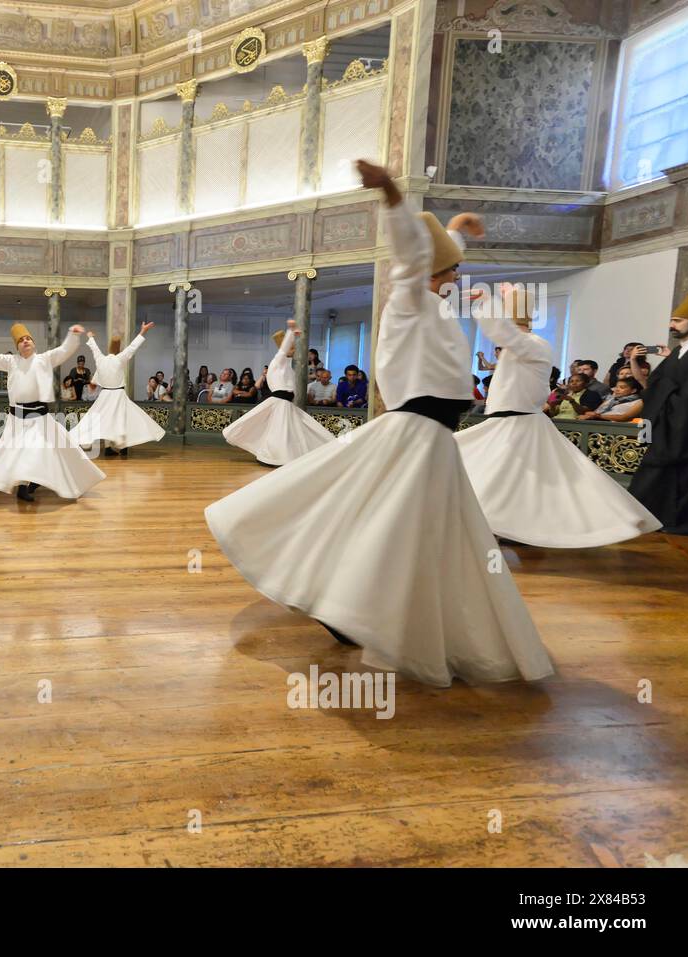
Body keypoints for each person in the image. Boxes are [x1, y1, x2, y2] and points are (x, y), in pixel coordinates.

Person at [205, 158, 551, 687]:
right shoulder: (410, 300)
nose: (459, 276)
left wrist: (455, 230)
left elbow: (434, 259)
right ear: (436, 274)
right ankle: (349, 605)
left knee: (392, 525)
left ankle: (346, 602)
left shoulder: (433, 302)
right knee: (396, 526)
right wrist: (391, 196)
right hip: (417, 431)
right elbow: (414, 257)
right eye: (453, 270)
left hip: (432, 434)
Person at [455, 284, 659, 548]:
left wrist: (486, 301)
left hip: (520, 423)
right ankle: (497, 524)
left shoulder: (533, 344)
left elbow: (502, 332)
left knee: (504, 475)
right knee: (497, 472)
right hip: (506, 423)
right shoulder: (517, 346)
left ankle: (497, 525)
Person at [0, 322, 105, 502]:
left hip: (40, 418)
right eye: (21, 340)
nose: (25, 342)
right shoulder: (11, 361)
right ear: (17, 346)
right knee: (8, 453)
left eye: (27, 339)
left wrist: (73, 334)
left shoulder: (44, 359)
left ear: (33, 343)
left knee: (48, 450)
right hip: (17, 419)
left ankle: (27, 485)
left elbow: (63, 351)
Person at [629, 288, 688, 534]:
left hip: (687, 428)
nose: (672, 325)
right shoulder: (679, 351)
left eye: (677, 321)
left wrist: (665, 394)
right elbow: (653, 386)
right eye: (672, 320)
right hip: (668, 425)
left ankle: (679, 522)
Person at [221, 321, 333, 466]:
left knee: (296, 430)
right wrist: (291, 332)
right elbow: (283, 350)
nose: (293, 350)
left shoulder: (288, 368)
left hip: (286, 404)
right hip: (279, 403)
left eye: (293, 348)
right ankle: (273, 457)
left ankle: (282, 455)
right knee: (280, 432)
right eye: (291, 348)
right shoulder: (276, 363)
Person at [70, 322, 165, 457]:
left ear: (109, 348)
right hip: (118, 394)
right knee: (122, 419)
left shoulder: (101, 359)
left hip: (105, 395)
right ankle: (122, 446)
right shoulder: (120, 358)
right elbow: (133, 347)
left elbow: (95, 349)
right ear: (119, 348)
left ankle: (109, 447)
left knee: (105, 420)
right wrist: (143, 331)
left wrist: (90, 337)